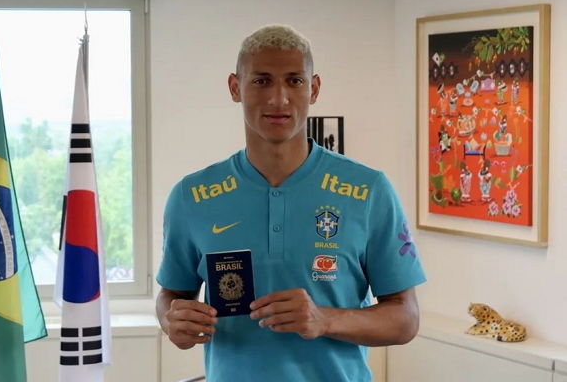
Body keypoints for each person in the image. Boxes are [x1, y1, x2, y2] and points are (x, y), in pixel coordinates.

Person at [155, 25, 426, 382]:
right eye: (262, 81)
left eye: (294, 81)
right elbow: (171, 294)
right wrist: (172, 321)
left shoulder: (368, 190)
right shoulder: (192, 195)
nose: (279, 99)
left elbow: (405, 318)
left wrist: (325, 319)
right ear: (235, 87)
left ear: (313, 89)